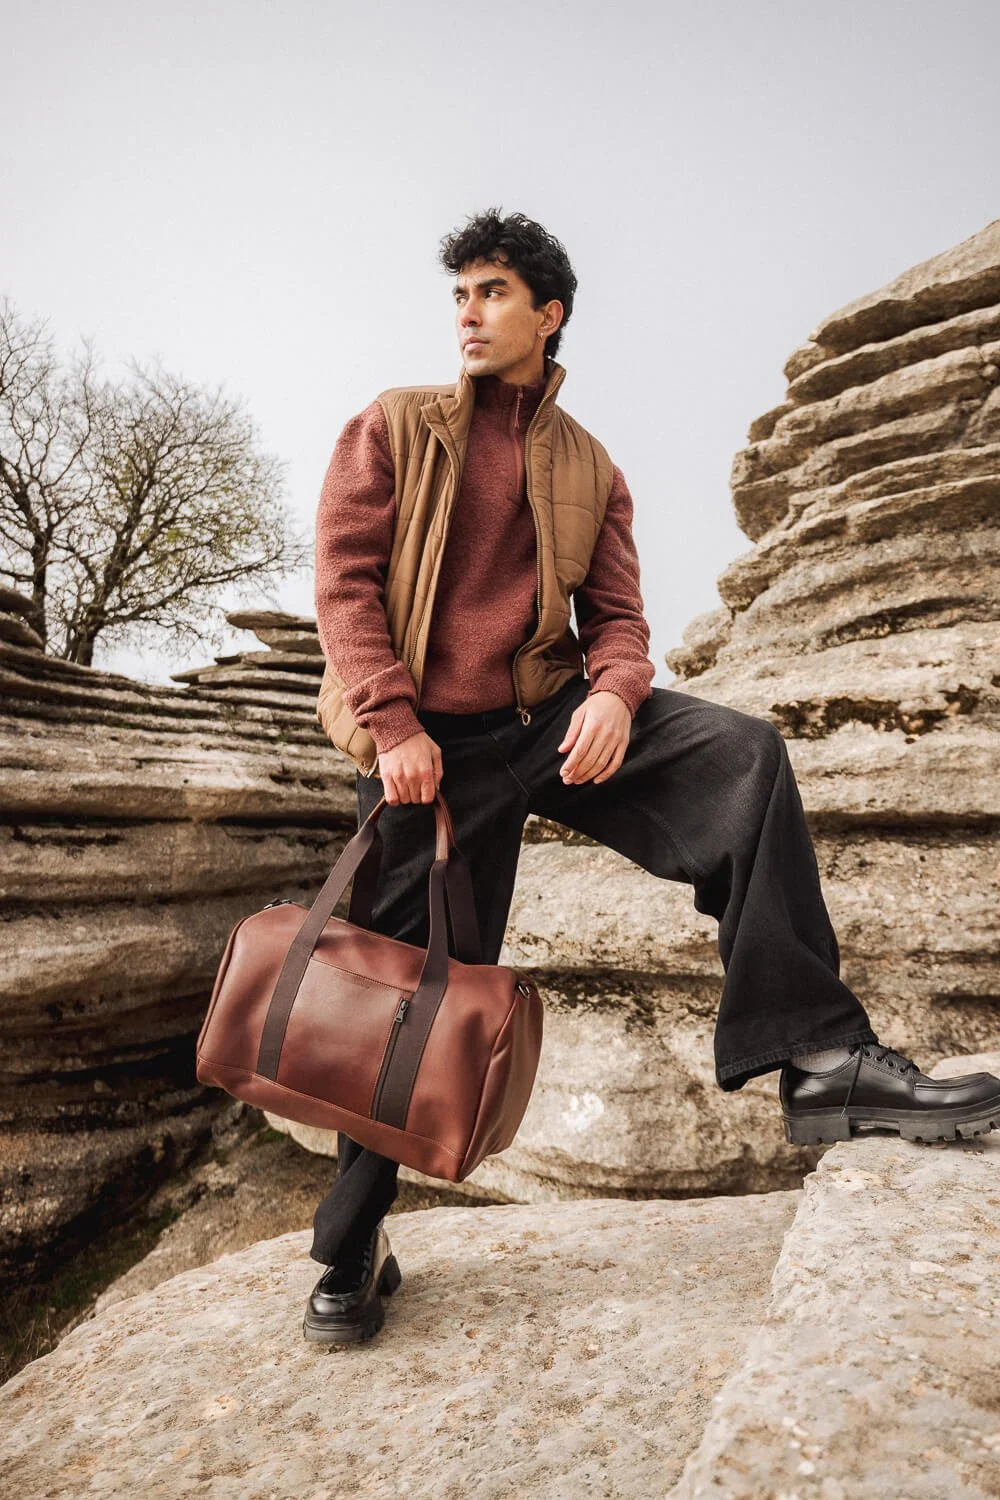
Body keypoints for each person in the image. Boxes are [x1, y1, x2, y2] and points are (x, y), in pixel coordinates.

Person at [303, 208, 1000, 1347]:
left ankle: (822, 1061)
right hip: (428, 746)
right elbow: (343, 582)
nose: (468, 315)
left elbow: (618, 618)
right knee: (405, 993)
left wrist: (619, 696)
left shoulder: (589, 466)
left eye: (490, 293)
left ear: (548, 313)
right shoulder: (395, 424)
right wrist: (391, 724)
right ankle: (349, 1247)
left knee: (743, 759)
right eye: (459, 296)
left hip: (552, 717)